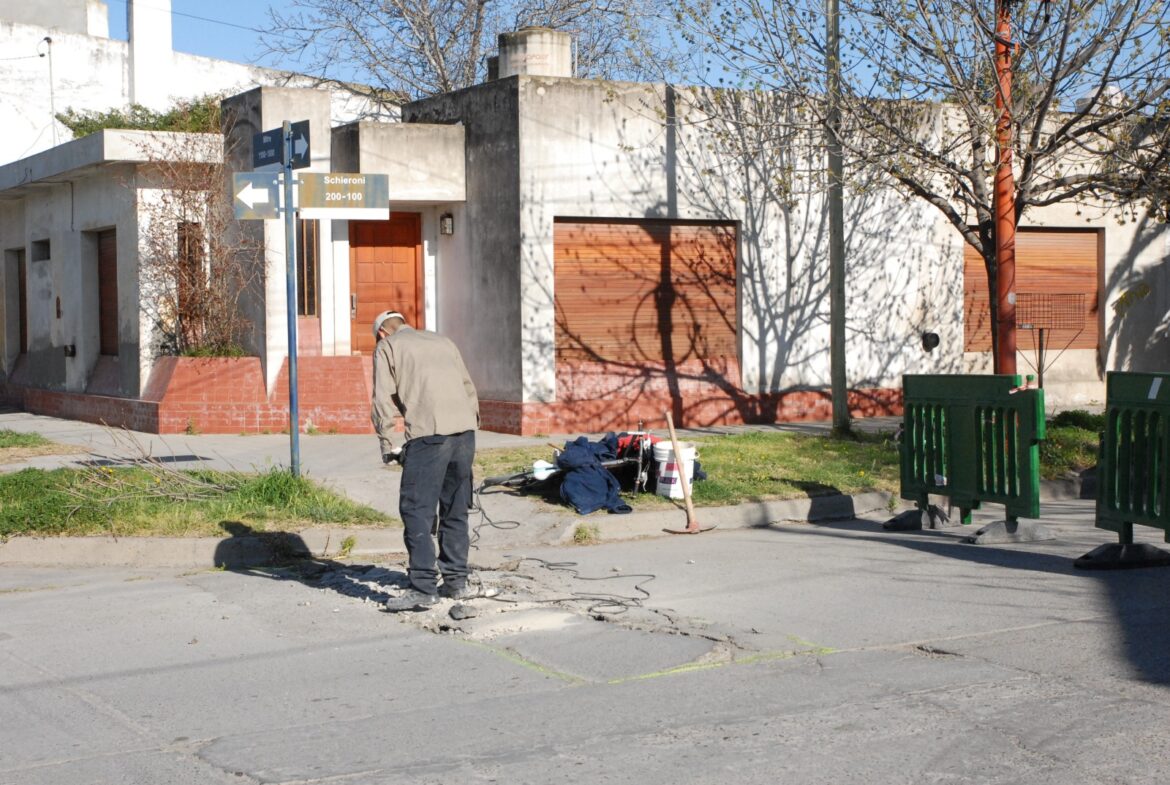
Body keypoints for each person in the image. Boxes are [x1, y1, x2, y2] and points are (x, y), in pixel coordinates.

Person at [370, 310, 481, 611]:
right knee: (455, 509)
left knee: (416, 510)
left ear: (382, 332)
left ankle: (422, 588)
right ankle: (457, 582)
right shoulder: (443, 341)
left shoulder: (388, 347)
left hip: (429, 435)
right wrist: (471, 425)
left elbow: (382, 399)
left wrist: (387, 443)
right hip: (464, 434)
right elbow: (469, 388)